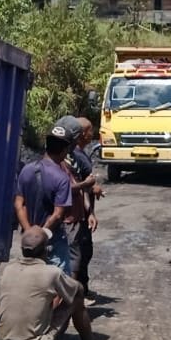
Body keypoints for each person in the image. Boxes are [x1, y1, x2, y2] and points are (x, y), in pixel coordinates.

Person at [0, 227, 99, 340]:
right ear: (46, 250)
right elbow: (78, 289)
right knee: (76, 294)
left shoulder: (9, 270)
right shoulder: (52, 273)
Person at [16, 118, 78, 274]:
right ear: (65, 150)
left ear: (46, 145)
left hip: (29, 243)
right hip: (52, 240)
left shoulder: (27, 170)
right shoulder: (61, 178)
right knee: (59, 285)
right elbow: (58, 215)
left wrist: (30, 233)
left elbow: (19, 204)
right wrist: (42, 235)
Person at [65, 119, 102, 304]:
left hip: (83, 211)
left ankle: (81, 290)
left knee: (83, 252)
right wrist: (90, 187)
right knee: (78, 253)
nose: (91, 134)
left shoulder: (79, 155)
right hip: (74, 215)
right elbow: (76, 186)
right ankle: (75, 295)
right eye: (89, 131)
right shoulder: (73, 157)